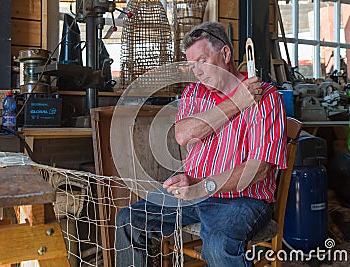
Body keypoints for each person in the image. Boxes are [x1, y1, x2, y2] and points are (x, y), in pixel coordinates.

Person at [116, 21, 287, 267]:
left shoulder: (266, 97)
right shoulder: (194, 94)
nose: (197, 70)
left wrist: (203, 187)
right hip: (193, 192)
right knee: (129, 219)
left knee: (218, 246)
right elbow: (182, 135)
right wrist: (235, 102)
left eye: (202, 61)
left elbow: (258, 169)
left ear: (225, 54)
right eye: (192, 64)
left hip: (241, 199)